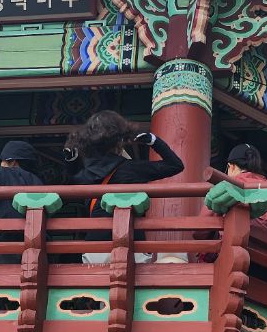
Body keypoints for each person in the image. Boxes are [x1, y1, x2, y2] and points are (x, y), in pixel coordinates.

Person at [65, 110, 183, 265]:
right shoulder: (132, 169)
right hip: (132, 248)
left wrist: (71, 162)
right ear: (119, 143)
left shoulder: (85, 176)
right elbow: (175, 165)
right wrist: (153, 141)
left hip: (95, 249)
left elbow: (68, 187)